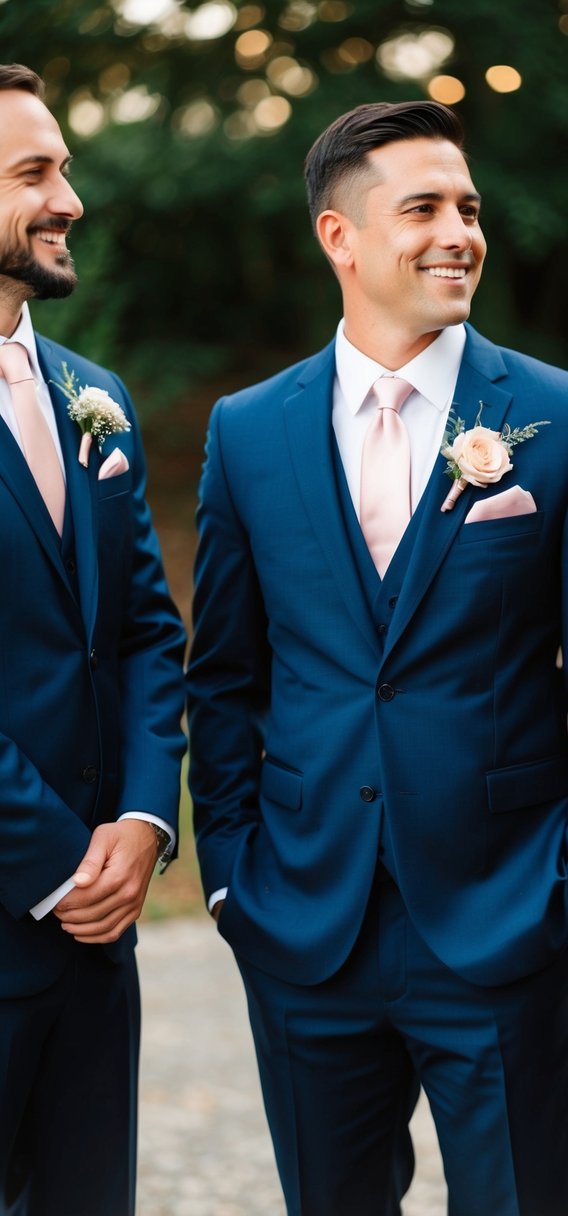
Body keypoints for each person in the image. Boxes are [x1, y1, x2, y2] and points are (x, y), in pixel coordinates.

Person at [187, 99, 568, 1216]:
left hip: (505, 916)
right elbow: (223, 673)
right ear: (339, 237)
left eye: (469, 207)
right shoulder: (247, 431)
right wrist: (230, 876)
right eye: (424, 208)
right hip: (303, 918)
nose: (459, 231)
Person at [0, 64, 186, 1216]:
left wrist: (140, 815)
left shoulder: (90, 395)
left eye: (62, 166)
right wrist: (54, 861)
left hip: (94, 939)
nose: (71, 197)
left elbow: (146, 632)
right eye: (34, 173)